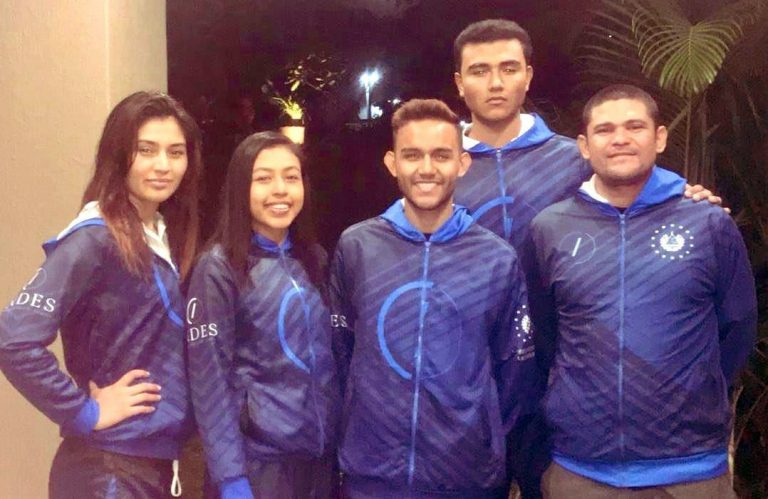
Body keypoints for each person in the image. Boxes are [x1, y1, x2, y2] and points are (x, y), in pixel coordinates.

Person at [450, 20, 724, 496]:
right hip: (470, 371)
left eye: (508, 68)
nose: (495, 83)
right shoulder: (440, 164)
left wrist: (686, 195)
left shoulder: (571, 158)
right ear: (459, 82)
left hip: (560, 380)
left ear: (528, 75)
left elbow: (633, 191)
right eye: (479, 70)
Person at [527, 84, 757, 498]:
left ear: (660, 137)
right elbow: (546, 335)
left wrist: (693, 391)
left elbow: (737, 326)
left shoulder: (707, 224)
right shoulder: (550, 228)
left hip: (691, 473)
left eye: (635, 126)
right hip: (581, 470)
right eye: (605, 129)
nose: (620, 139)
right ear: (584, 145)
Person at [330, 98, 541, 498]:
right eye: (412, 155)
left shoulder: (495, 258)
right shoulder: (357, 247)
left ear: (462, 163)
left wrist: (486, 446)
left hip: (467, 479)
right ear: (392, 163)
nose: (426, 169)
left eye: (441, 155)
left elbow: (514, 372)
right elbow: (340, 353)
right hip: (371, 476)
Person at [0, 91, 202, 498]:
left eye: (176, 152)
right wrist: (84, 412)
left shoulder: (161, 234)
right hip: (108, 469)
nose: (163, 165)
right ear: (118, 155)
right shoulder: (94, 238)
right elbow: (13, 338)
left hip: (153, 463)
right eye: (146, 150)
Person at [186, 131, 338, 499]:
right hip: (257, 467)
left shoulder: (313, 259)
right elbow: (209, 381)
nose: (280, 190)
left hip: (317, 462)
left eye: (291, 177)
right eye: (264, 178)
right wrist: (230, 477)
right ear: (241, 188)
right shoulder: (219, 267)